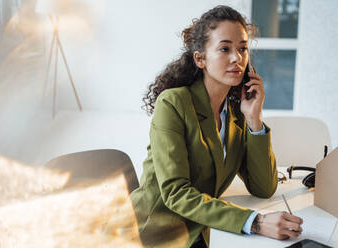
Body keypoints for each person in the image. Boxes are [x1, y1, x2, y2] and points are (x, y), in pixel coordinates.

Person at [130, 5, 303, 248]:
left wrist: (254, 120)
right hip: (157, 233)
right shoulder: (173, 103)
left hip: (203, 227)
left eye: (242, 49)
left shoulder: (236, 112)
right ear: (200, 59)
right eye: (225, 49)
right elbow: (175, 193)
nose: (237, 58)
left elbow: (263, 187)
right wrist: (256, 222)